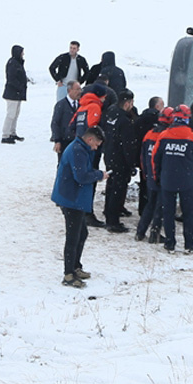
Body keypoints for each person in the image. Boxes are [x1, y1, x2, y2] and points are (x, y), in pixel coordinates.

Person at [51, 126, 105, 288]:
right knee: (73, 236)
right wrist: (99, 175)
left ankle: (75, 266)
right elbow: (81, 176)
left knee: (82, 233)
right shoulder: (78, 151)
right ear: (89, 140)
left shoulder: (80, 148)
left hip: (74, 198)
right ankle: (68, 274)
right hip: (71, 199)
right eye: (96, 144)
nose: (96, 148)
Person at [153, 105, 193, 253]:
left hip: (167, 179)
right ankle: (189, 244)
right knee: (188, 214)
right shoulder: (192, 136)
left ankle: (170, 243)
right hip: (186, 181)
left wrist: (157, 177)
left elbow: (156, 158)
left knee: (168, 213)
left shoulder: (164, 135)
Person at [70, 84, 111, 227]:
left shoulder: (81, 107)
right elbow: (94, 128)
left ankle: (80, 210)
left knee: (80, 179)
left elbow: (71, 125)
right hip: (90, 149)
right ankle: (87, 213)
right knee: (89, 179)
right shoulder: (94, 106)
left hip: (80, 147)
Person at [101, 90, 138, 232]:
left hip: (110, 155)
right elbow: (128, 145)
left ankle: (108, 212)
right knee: (118, 189)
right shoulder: (125, 121)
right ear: (128, 103)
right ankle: (113, 221)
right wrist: (131, 164)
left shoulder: (111, 113)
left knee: (111, 186)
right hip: (120, 159)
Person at [135, 109, 171, 243]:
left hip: (149, 174)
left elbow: (143, 156)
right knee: (160, 205)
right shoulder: (166, 136)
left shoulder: (149, 134)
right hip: (161, 175)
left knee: (150, 204)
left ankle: (140, 231)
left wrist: (146, 172)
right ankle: (155, 233)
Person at [133, 97, 165, 215]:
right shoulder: (157, 121)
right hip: (154, 156)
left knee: (144, 183)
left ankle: (143, 209)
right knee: (156, 186)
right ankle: (153, 210)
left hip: (143, 156)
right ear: (157, 107)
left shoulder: (140, 118)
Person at [2, 45, 29, 144]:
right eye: (22, 52)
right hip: (12, 93)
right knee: (11, 114)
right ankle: (5, 135)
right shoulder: (12, 63)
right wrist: (19, 87)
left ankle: (12, 133)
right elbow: (11, 78)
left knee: (16, 114)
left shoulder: (18, 62)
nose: (23, 54)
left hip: (17, 93)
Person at [50, 80, 82, 165]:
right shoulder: (61, 105)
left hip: (79, 140)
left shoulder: (82, 104)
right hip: (65, 140)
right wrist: (57, 140)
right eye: (77, 89)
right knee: (64, 164)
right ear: (69, 90)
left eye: (80, 89)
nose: (79, 92)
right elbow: (55, 123)